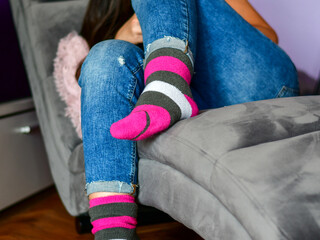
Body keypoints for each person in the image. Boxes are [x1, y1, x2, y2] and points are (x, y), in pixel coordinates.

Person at [54, 0, 299, 239]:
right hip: (199, 99)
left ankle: (169, 84)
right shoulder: (105, 9)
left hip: (262, 85)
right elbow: (92, 78)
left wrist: (191, 22)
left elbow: (269, 37)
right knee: (104, 55)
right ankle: (113, 232)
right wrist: (123, 36)